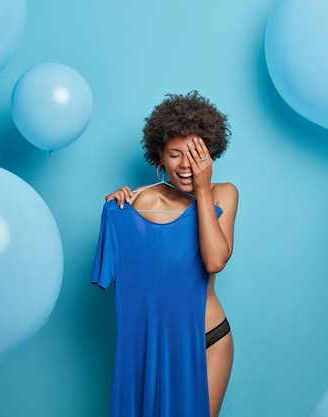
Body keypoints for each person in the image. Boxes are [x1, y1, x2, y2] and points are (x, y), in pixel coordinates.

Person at [91, 90, 238, 417]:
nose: (186, 165)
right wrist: (118, 209)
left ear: (210, 154)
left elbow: (215, 260)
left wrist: (202, 190)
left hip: (209, 340)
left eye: (195, 154)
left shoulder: (223, 194)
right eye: (175, 154)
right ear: (159, 156)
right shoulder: (139, 203)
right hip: (155, 348)